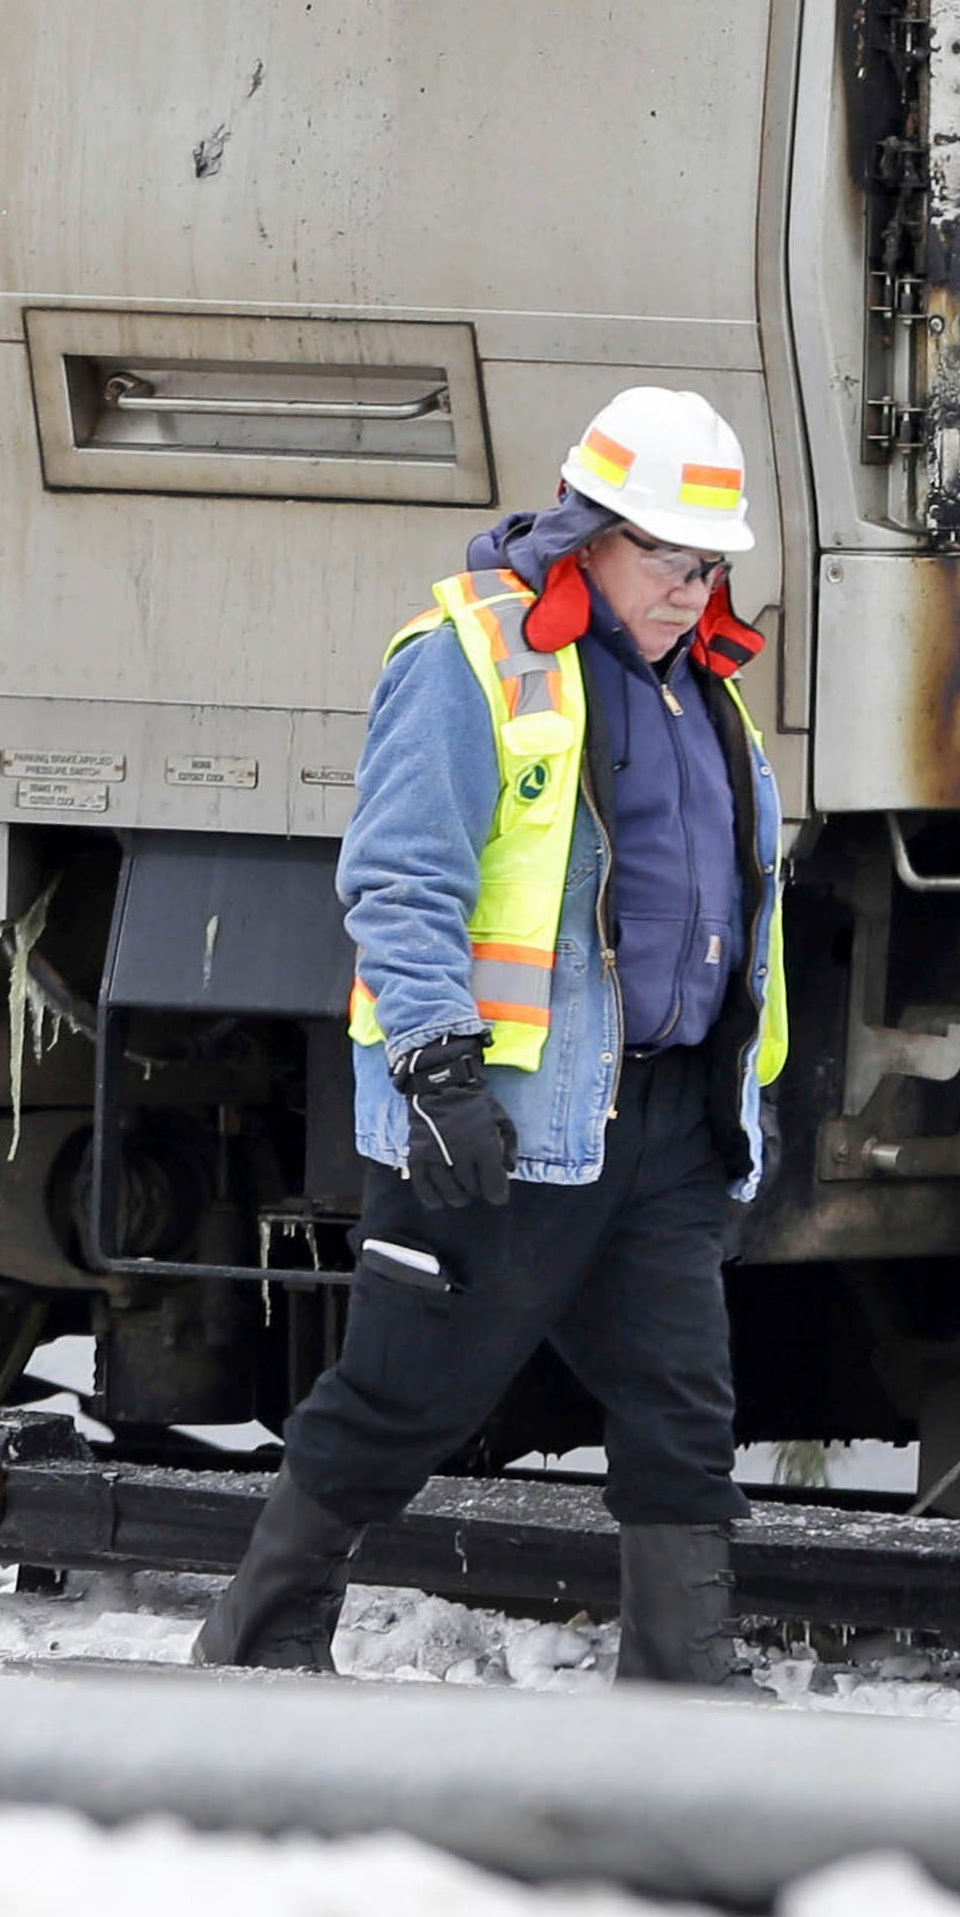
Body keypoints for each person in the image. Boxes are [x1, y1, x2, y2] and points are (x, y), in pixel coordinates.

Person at [190, 384, 790, 1688]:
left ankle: (688, 1684)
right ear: (588, 532)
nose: (692, 592)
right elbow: (400, 877)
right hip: (501, 1120)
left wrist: (745, 1102)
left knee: (682, 1412)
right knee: (405, 1399)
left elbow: (733, 917)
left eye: (710, 565)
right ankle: (256, 1647)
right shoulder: (472, 653)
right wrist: (432, 1065)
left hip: (666, 1120)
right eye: (667, 560)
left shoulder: (711, 698)